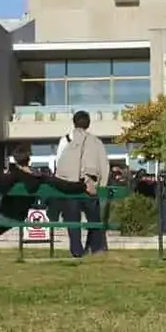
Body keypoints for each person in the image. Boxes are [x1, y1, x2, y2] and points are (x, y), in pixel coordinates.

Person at [57, 110, 113, 258]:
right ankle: (94, 248)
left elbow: (58, 164)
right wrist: (99, 183)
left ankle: (76, 250)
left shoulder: (66, 140)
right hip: (90, 188)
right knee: (94, 219)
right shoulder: (96, 142)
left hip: (70, 187)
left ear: (74, 122)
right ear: (88, 124)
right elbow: (104, 165)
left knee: (72, 220)